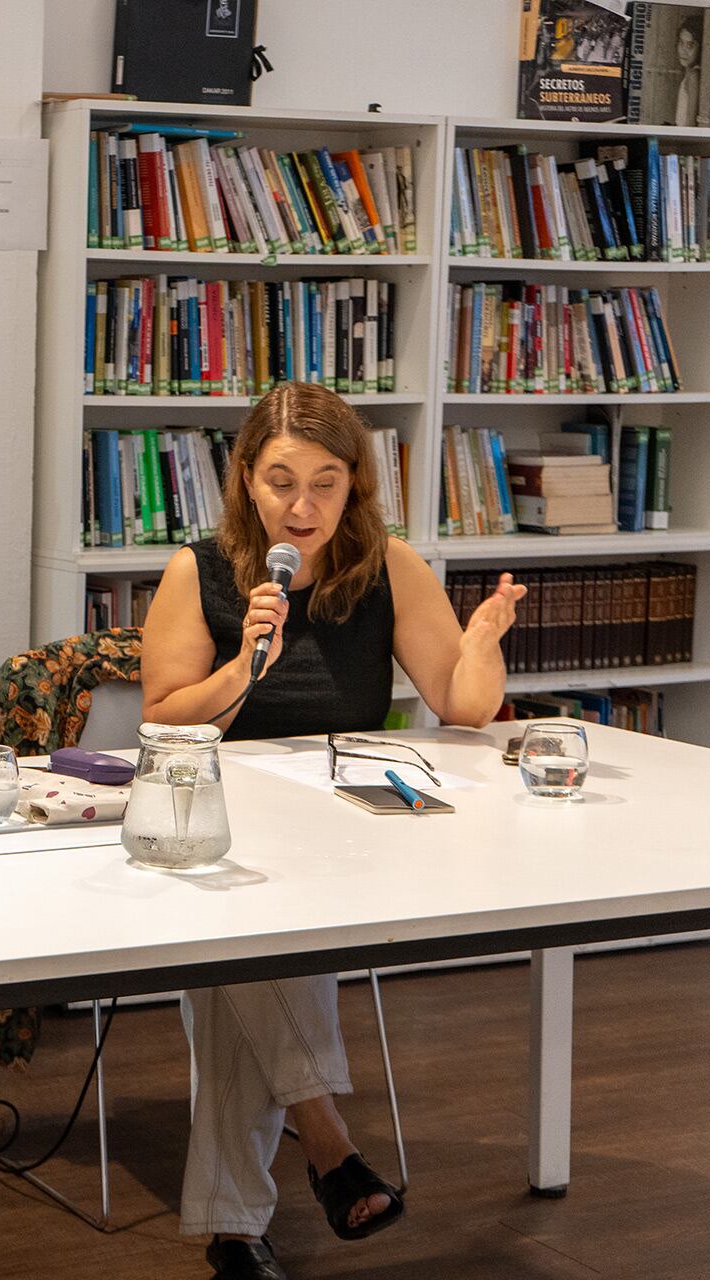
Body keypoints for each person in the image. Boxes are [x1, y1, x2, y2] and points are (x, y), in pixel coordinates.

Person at [138, 382, 525, 1280]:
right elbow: (163, 723)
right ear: (245, 481)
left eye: (325, 483)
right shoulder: (198, 571)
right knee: (242, 925)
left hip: (345, 825)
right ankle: (318, 1148)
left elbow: (464, 707)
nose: (302, 507)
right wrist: (245, 663)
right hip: (220, 816)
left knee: (236, 951)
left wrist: (484, 639)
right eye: (280, 482)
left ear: (355, 486)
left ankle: (243, 1221)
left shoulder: (388, 566)